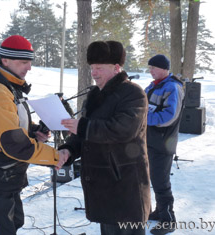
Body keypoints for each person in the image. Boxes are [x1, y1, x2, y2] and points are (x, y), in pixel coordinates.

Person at [0, 35, 68, 235]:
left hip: (7, 176)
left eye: (30, 62)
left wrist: (33, 132)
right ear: (5, 61)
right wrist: (54, 156)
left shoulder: (10, 87)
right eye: (23, 62)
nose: (29, 67)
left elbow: (7, 127)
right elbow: (13, 142)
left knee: (12, 225)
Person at [60, 41, 150, 235]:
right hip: (102, 186)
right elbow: (83, 132)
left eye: (99, 68)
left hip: (126, 185)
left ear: (116, 68)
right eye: (92, 67)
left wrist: (82, 126)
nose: (94, 72)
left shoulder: (133, 93)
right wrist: (68, 150)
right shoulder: (94, 95)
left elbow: (124, 130)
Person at [145, 54, 184, 235]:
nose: (150, 71)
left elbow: (169, 116)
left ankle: (168, 219)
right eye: (150, 68)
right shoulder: (152, 87)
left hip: (163, 143)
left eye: (153, 68)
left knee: (161, 182)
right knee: (153, 178)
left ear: (163, 68)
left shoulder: (172, 87)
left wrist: (145, 119)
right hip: (149, 141)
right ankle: (160, 212)